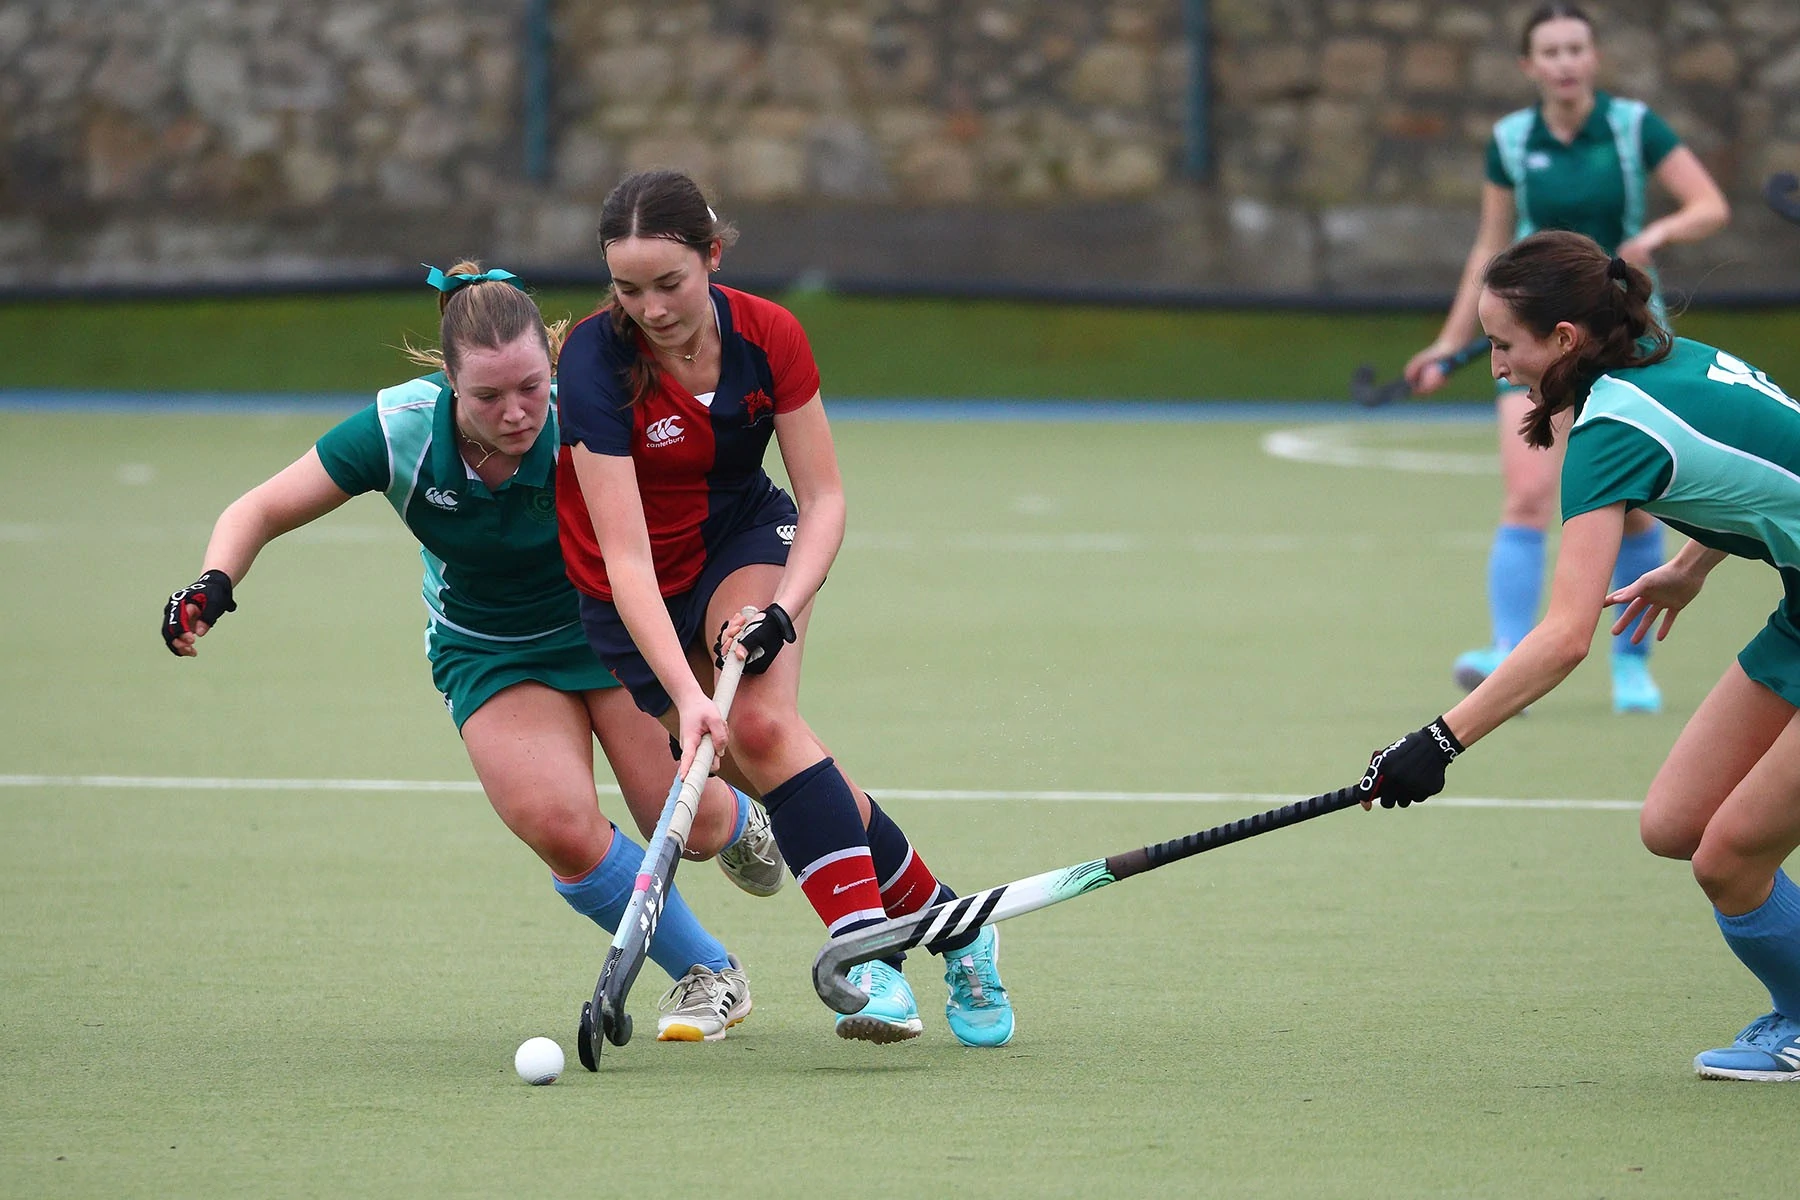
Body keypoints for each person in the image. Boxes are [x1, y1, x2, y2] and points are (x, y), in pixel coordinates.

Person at [161, 262, 785, 1043]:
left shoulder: (589, 410)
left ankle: (739, 822)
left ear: (551, 367)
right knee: (555, 821)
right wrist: (213, 582)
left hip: (613, 628)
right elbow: (258, 508)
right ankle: (707, 972)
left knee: (689, 825)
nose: (517, 412)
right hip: (489, 650)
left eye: (530, 386)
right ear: (450, 384)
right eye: (489, 397)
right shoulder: (399, 432)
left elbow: (710, 505)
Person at [554, 168, 1015, 1047]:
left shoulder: (770, 336)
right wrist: (687, 699)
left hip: (739, 542)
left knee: (763, 727)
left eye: (670, 284)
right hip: (632, 591)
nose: (649, 309)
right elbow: (625, 562)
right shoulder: (593, 362)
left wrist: (785, 609)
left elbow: (825, 497)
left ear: (713, 256)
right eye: (627, 288)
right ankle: (955, 923)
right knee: (757, 764)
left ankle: (863, 957)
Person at [1363, 228, 1800, 1081]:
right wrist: (1687, 564)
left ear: (1564, 339)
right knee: (1677, 826)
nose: (1492, 367)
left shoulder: (1610, 431)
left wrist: (1438, 742)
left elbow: (1565, 637)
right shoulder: (1666, 355)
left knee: (1731, 857)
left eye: (1502, 346)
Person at [1403, 2, 1729, 714]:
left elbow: (1709, 204)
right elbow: (1488, 251)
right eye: (1549, 51)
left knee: (1637, 510)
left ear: (1594, 57)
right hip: (1532, 341)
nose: (1564, 62)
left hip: (1619, 338)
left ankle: (1632, 665)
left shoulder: (1633, 126)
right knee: (1526, 492)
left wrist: (1658, 236)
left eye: (1576, 48)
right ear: (1529, 66)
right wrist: (1453, 342)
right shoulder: (1512, 140)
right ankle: (1508, 651)